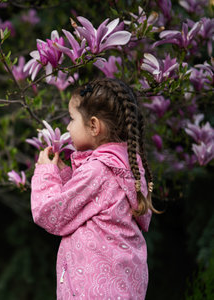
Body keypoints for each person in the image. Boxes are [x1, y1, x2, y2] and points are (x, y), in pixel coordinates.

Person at [31, 78, 159, 299]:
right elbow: (91, 206)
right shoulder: (124, 166)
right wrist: (64, 176)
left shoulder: (98, 171)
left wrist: (45, 173)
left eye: (72, 119)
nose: (68, 127)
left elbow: (49, 212)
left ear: (93, 125)